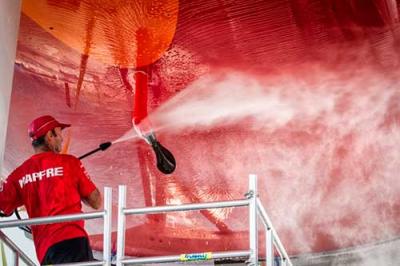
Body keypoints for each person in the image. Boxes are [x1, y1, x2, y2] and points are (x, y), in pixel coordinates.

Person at [0, 115, 101, 265]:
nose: (61, 139)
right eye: (59, 134)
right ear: (49, 135)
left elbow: (3, 207)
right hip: (73, 241)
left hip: (46, 252)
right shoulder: (70, 162)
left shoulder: (19, 174)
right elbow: (95, 202)